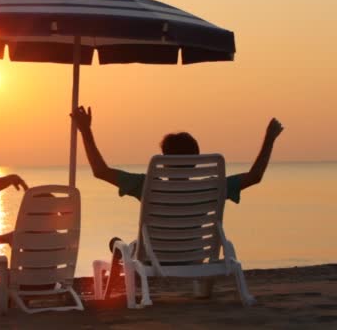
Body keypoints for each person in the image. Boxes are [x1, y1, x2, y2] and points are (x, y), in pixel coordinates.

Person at [70, 105, 284, 298]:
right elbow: (255, 176)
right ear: (195, 159)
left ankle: (117, 248)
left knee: (123, 246)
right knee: (130, 246)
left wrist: (85, 131)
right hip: (192, 257)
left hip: (151, 259)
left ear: (165, 158)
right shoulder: (213, 187)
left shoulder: (146, 184)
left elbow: (100, 171)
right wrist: (270, 138)